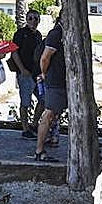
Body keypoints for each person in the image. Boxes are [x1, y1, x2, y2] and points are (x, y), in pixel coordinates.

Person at [34, 12, 67, 162]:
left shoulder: (66, 32)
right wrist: (44, 73)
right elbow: (45, 58)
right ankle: (39, 150)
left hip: (64, 81)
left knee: (55, 114)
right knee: (49, 114)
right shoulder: (56, 34)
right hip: (55, 81)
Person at [10, 10, 43, 138]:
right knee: (25, 102)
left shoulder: (38, 35)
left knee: (43, 100)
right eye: (30, 18)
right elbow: (14, 52)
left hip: (36, 74)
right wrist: (22, 69)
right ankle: (25, 129)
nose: (33, 21)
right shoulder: (20, 33)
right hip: (25, 74)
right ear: (26, 19)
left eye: (36, 18)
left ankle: (34, 125)